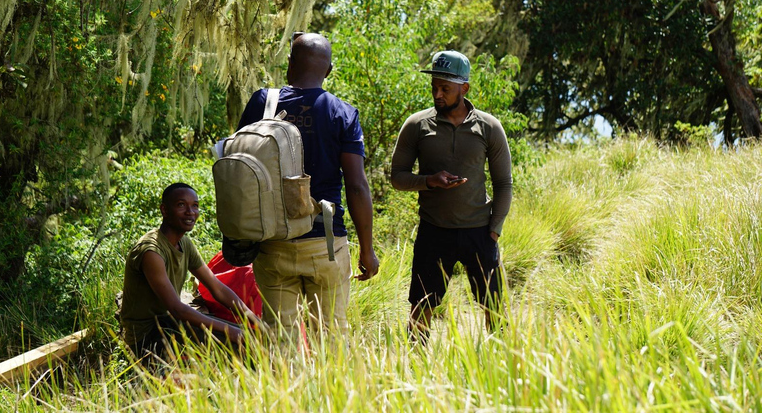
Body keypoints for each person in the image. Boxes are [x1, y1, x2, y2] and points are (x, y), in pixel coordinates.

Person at [236, 32, 379, 337]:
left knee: (279, 338)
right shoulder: (343, 112)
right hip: (325, 242)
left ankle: (282, 385)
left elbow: (240, 172)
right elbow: (356, 186)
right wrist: (367, 250)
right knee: (331, 338)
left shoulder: (263, 103)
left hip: (272, 241)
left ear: (290, 64)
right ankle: (330, 386)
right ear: (328, 71)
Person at [390, 50, 512, 341]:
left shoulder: (489, 127)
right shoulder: (417, 125)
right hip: (434, 232)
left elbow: (504, 183)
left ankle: (501, 364)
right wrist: (430, 181)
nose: (437, 94)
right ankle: (415, 366)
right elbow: (397, 178)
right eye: (434, 87)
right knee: (421, 307)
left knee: (494, 309)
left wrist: (493, 232)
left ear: (464, 88)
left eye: (445, 88)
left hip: (479, 232)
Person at [119, 183, 259, 357]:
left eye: (195, 206)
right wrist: (230, 331)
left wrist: (255, 320)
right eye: (181, 205)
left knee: (251, 336)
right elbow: (177, 308)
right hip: (148, 335)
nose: (190, 212)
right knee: (237, 343)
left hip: (171, 322)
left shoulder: (184, 243)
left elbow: (217, 288)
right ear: (164, 210)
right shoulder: (151, 251)